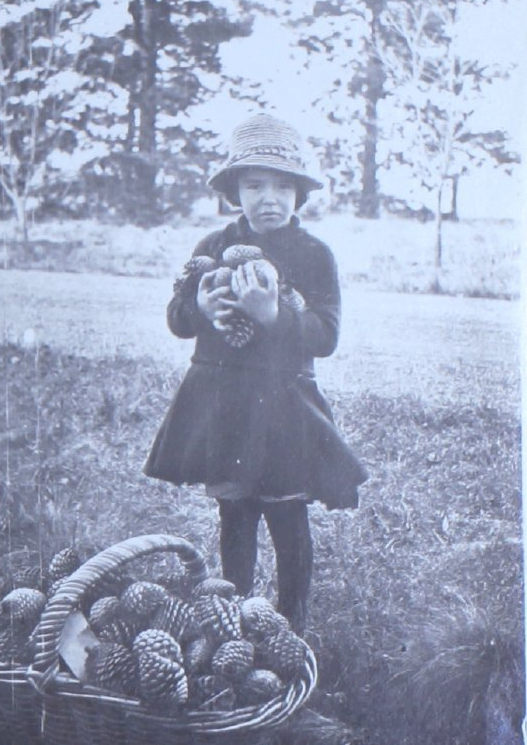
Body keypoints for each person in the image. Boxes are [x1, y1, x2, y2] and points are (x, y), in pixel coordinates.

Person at [144, 113, 367, 634]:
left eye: (283, 185)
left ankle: (292, 620)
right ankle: (233, 617)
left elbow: (326, 335)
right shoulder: (212, 246)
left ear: (300, 194)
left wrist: (274, 315)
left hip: (284, 403)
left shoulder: (314, 255)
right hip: (222, 402)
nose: (269, 197)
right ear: (232, 191)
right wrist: (198, 304)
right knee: (235, 511)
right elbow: (178, 319)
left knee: (287, 514)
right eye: (254, 184)